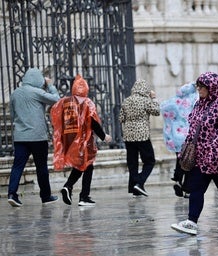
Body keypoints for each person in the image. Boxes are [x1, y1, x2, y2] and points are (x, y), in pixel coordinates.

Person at [170, 71, 218, 235]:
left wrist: (212, 154)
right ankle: (191, 222)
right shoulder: (198, 104)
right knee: (196, 189)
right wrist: (186, 149)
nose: (199, 89)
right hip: (200, 157)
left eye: (202, 86)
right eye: (198, 85)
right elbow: (192, 129)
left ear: (212, 87)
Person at [50, 74, 112, 206]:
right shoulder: (87, 103)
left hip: (69, 140)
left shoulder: (65, 102)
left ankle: (68, 187)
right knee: (88, 166)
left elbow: (57, 118)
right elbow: (93, 122)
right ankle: (83, 196)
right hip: (85, 140)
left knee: (80, 165)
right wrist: (104, 136)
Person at [7, 68, 60, 207]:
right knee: (41, 167)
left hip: (20, 137)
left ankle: (12, 194)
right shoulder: (37, 92)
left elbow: (13, 115)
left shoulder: (15, 94)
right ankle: (46, 196)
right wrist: (50, 85)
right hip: (37, 137)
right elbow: (56, 99)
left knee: (17, 166)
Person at [119, 79, 160, 197]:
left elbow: (121, 118)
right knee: (150, 160)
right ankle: (139, 182)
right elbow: (156, 111)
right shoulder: (145, 101)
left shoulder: (126, 101)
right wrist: (154, 98)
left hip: (128, 135)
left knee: (132, 162)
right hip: (142, 135)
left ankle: (134, 188)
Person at [160, 82, 198, 198]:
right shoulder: (194, 99)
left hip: (176, 137)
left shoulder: (175, 100)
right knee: (189, 162)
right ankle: (186, 188)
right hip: (188, 136)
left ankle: (177, 179)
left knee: (181, 159)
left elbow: (162, 108)